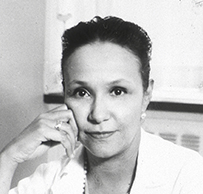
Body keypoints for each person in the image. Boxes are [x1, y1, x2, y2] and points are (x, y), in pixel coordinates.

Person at [0, 16, 203, 194]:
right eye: (82, 93)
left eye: (117, 91)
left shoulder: (188, 176)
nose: (97, 115)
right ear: (65, 96)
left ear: (146, 95)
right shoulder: (49, 179)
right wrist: (9, 157)